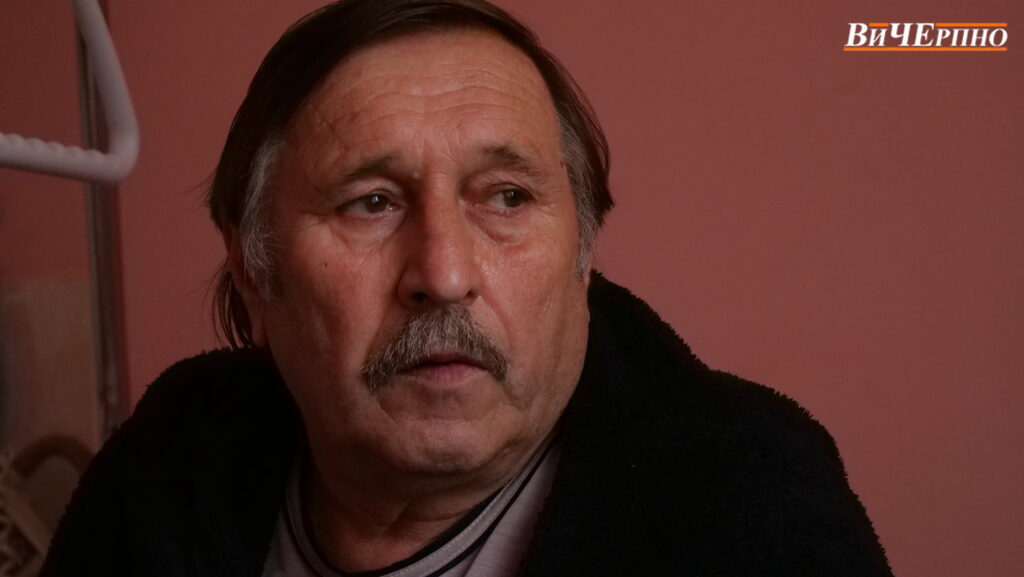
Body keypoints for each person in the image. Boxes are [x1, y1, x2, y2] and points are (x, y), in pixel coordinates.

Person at [41, 0, 893, 575]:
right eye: (372, 203)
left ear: (582, 256)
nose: (445, 274)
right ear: (254, 274)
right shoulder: (160, 478)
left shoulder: (753, 513)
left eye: (507, 197)